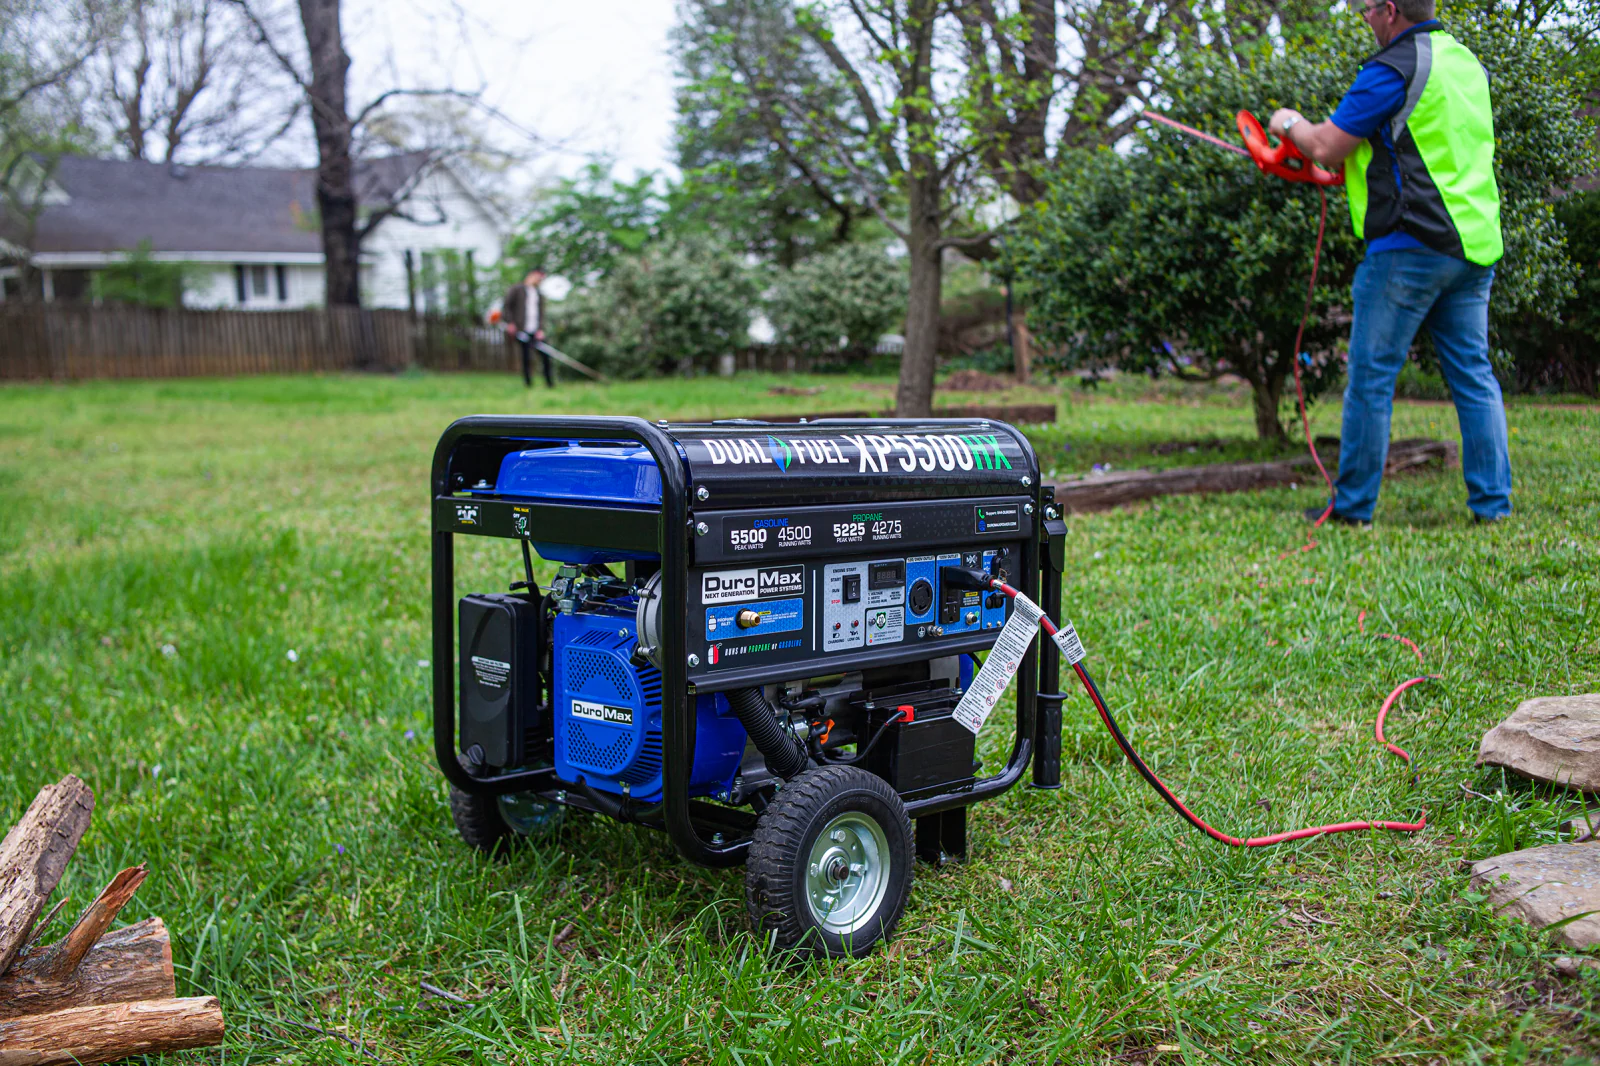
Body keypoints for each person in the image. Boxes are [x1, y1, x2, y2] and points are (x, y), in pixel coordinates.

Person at [1268, 0, 1508, 527]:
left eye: (1367, 11)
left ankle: (1353, 509)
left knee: (1372, 378)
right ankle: (1492, 507)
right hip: (1473, 244)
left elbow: (1328, 145)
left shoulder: (1393, 67)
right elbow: (1420, 145)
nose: (1366, 20)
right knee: (1474, 376)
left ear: (1391, 10)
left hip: (1409, 248)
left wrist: (1289, 123)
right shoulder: (1464, 62)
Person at [502, 268, 552, 388]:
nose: (540, 280)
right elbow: (506, 306)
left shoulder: (538, 293)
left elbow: (541, 313)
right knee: (526, 356)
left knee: (545, 354)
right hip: (521, 329)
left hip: (536, 331)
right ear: (532, 275)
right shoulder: (517, 289)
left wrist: (540, 329)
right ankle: (528, 382)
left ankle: (549, 382)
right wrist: (510, 323)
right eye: (539, 277)